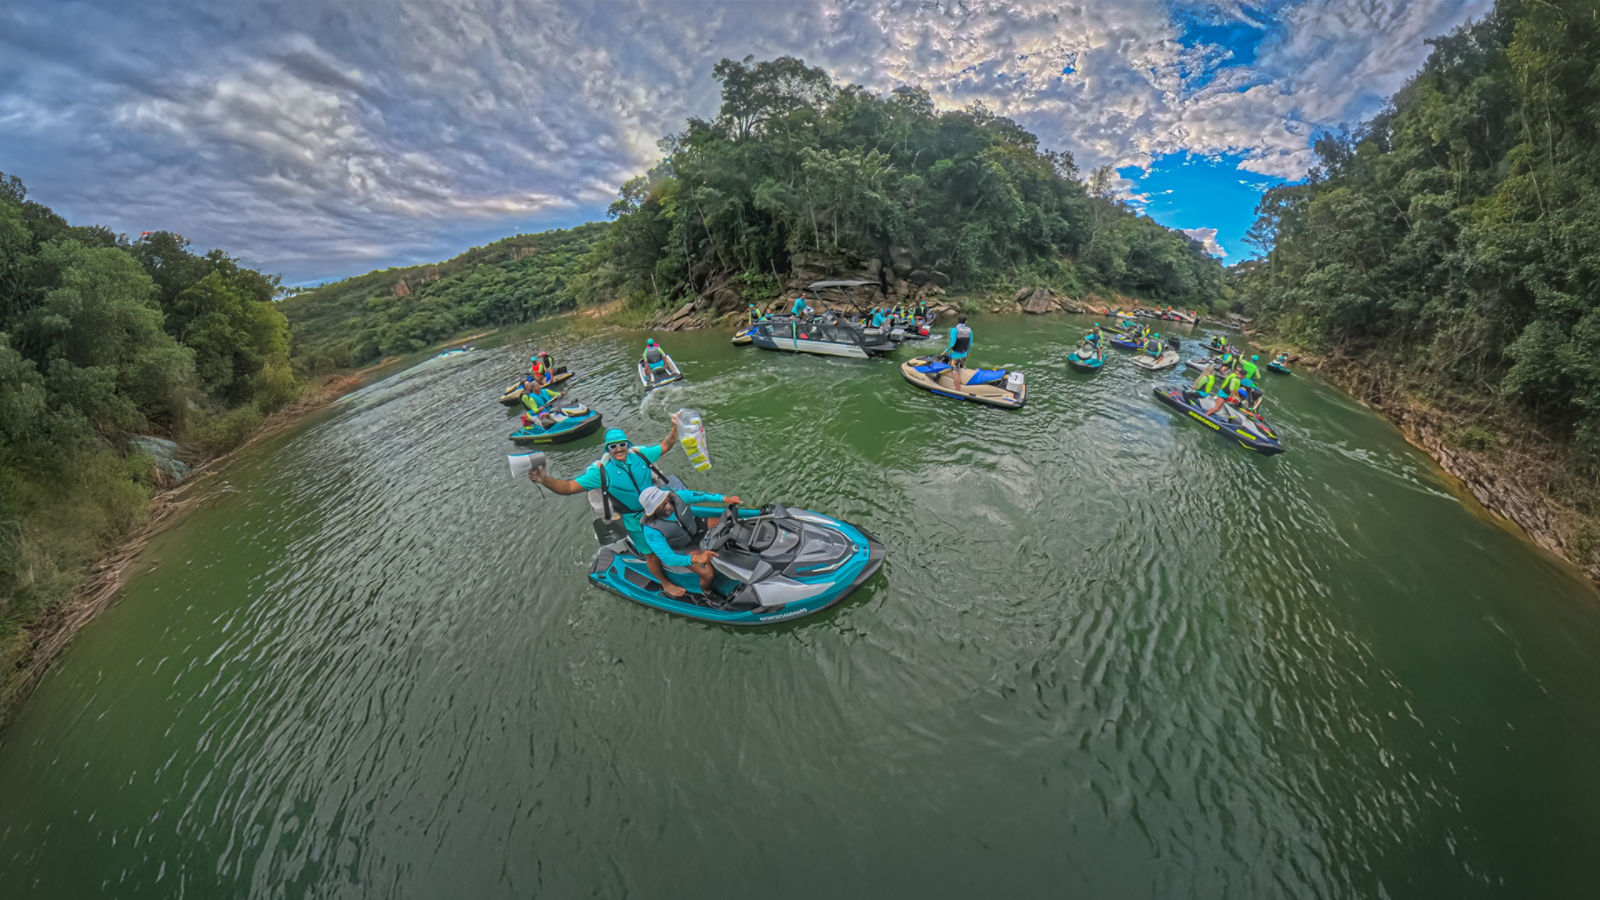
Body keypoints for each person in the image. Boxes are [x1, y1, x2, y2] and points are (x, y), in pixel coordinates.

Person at [528, 418, 710, 553]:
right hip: (635, 518)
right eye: (613, 446)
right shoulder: (601, 473)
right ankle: (665, 582)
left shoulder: (641, 455)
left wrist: (675, 427)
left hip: (658, 506)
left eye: (622, 444)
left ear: (627, 445)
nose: (619, 449)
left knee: (679, 527)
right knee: (651, 554)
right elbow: (568, 487)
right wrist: (544, 479)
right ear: (607, 449)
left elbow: (666, 445)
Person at [637, 486, 742, 598]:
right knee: (708, 573)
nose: (667, 505)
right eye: (661, 506)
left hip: (696, 528)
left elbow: (701, 495)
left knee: (729, 524)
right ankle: (707, 592)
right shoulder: (651, 530)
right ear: (652, 511)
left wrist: (724, 499)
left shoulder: (678, 496)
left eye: (666, 500)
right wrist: (694, 559)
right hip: (683, 547)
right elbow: (668, 558)